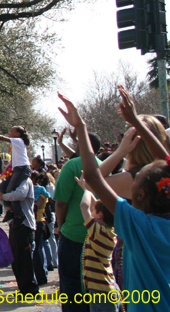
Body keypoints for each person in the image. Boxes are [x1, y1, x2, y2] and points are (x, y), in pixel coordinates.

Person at [58, 87, 170, 312]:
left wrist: (82, 127)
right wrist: (137, 123)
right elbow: (166, 162)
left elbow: (91, 179)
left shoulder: (137, 226)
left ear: (140, 194)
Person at [54, 129, 102, 312]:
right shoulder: (103, 164)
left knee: (71, 286)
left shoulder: (72, 165)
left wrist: (60, 226)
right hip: (97, 236)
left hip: (73, 235)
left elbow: (60, 203)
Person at [0, 167, 39, 296]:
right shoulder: (9, 185)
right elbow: (3, 201)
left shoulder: (25, 181)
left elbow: (20, 195)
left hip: (25, 225)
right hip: (15, 225)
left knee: (26, 260)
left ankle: (31, 289)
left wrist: (3, 195)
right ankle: (23, 288)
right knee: (17, 260)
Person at [75, 176, 119, 312]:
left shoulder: (97, 231)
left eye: (94, 211)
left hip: (101, 292)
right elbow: (97, 206)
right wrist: (85, 188)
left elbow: (84, 206)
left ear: (99, 215)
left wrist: (87, 188)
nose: (91, 213)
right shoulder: (109, 231)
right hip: (108, 287)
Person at [32, 171, 50, 285]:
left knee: (37, 250)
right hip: (38, 221)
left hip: (38, 221)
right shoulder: (42, 191)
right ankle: (41, 273)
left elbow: (38, 204)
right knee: (39, 249)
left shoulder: (41, 191)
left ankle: (41, 275)